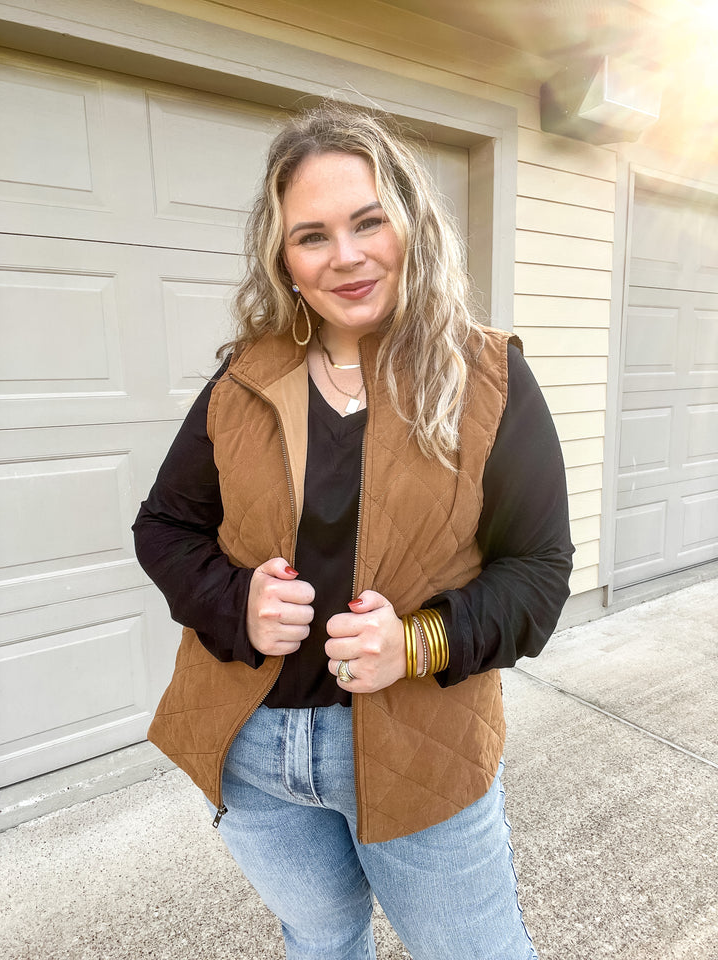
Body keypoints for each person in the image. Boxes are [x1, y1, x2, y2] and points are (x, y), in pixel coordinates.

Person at [133, 100, 573, 960]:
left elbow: (539, 572)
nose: (346, 256)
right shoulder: (244, 379)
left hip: (421, 748)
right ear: (285, 259)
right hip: (256, 751)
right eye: (312, 236)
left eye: (368, 222)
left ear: (411, 226)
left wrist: (415, 642)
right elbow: (165, 527)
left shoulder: (488, 377)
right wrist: (236, 603)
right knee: (321, 940)